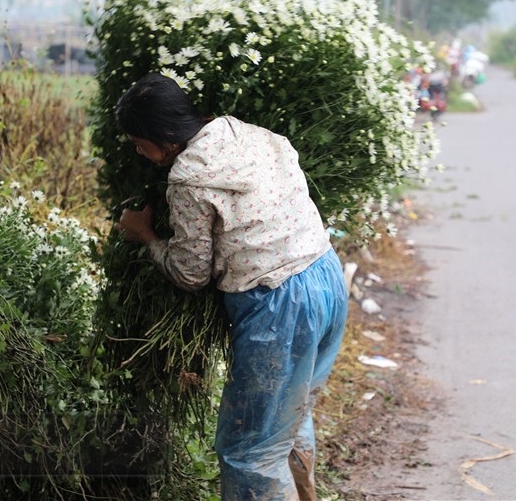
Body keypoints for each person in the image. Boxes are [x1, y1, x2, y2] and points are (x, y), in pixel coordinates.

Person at [113, 73, 348, 501]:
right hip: (326, 276)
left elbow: (190, 274)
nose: (137, 151)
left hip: (280, 305)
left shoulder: (187, 179)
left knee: (250, 452)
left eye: (137, 142)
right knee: (289, 417)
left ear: (163, 139)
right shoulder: (247, 133)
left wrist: (145, 236)